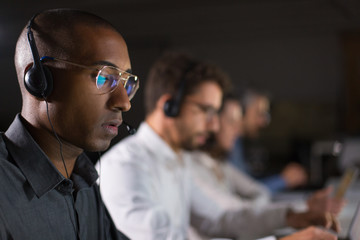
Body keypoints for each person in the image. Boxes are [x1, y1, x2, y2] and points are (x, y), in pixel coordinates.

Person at [98, 52, 338, 240]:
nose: (214, 126)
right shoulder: (125, 166)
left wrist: (292, 216)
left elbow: (221, 218)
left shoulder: (175, 159)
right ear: (169, 105)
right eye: (205, 111)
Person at [0, 9, 139, 240]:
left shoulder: (83, 181)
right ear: (39, 80)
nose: (124, 103)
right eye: (104, 78)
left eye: (126, 83)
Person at [189, 95, 345, 239]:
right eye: (231, 122)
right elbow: (231, 216)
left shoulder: (220, 163)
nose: (238, 129)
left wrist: (298, 211)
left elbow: (242, 207)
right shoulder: (192, 167)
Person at [229, 89, 308, 193]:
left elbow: (247, 184)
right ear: (241, 110)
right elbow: (245, 193)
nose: (263, 122)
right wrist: (283, 180)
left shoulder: (238, 143)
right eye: (259, 113)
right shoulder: (230, 143)